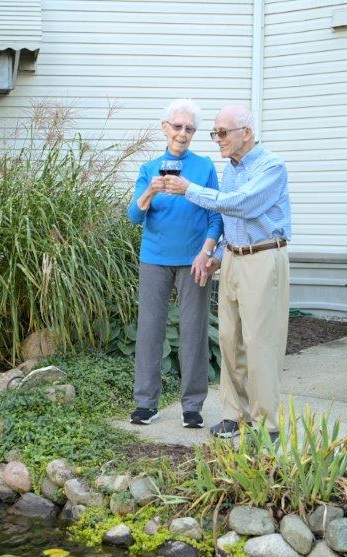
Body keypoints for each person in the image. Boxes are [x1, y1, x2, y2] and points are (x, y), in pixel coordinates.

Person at [163, 104, 291, 439]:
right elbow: (231, 222)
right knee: (229, 339)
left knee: (260, 342)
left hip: (263, 259)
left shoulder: (271, 167)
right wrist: (216, 255)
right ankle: (234, 415)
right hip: (233, 258)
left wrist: (188, 189)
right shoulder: (231, 168)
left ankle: (266, 424)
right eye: (215, 133)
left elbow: (241, 205)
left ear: (245, 133)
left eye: (223, 132)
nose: (216, 139)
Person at [126, 99, 223, 428]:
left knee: (194, 331)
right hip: (154, 258)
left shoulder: (204, 166)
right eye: (178, 127)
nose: (183, 133)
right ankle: (145, 403)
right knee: (150, 329)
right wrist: (150, 191)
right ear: (164, 128)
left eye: (189, 129)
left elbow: (216, 216)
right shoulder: (149, 168)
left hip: (194, 261)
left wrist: (206, 253)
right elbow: (134, 216)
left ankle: (192, 406)